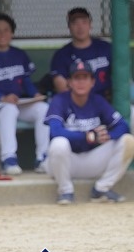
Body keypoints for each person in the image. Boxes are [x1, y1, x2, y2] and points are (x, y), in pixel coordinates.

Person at [43, 59, 134, 204]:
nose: (81, 82)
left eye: (85, 77)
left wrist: (107, 136)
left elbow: (123, 126)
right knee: (58, 143)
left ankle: (101, 189)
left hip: (92, 161)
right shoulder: (60, 100)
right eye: (76, 78)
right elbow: (55, 132)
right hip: (65, 163)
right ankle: (65, 191)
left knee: (128, 141)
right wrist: (88, 136)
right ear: (69, 82)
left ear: (92, 82)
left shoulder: (98, 100)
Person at [0, 12, 49, 175]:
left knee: (43, 109)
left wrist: (35, 95)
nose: (2, 34)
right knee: (9, 109)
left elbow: (26, 81)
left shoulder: (19, 54)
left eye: (6, 30)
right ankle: (9, 159)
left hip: (16, 103)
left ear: (12, 33)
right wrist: (1, 98)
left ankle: (43, 158)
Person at [49, 6, 134, 127]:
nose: (80, 27)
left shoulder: (105, 48)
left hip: (108, 101)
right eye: (75, 23)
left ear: (90, 25)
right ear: (69, 27)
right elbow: (62, 88)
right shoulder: (62, 55)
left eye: (84, 22)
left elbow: (123, 78)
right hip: (79, 107)